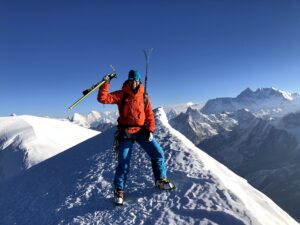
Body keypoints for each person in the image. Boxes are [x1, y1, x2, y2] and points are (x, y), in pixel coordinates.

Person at [97, 69, 175, 205]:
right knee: (123, 162)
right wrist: (106, 83)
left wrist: (150, 130)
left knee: (158, 153)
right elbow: (103, 98)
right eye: (131, 80)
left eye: (135, 80)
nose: (133, 83)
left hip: (141, 131)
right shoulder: (122, 94)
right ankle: (119, 190)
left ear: (139, 81)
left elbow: (149, 114)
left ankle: (160, 180)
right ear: (129, 80)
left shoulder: (144, 96)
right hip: (126, 132)